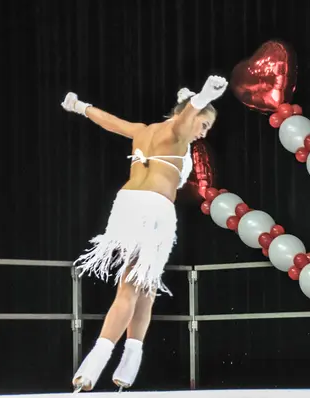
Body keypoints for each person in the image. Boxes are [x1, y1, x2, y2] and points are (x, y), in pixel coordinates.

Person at [60, 75, 228, 392]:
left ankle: (131, 357)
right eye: (203, 126)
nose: (202, 133)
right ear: (190, 116)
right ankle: (97, 359)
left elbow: (111, 123)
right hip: (153, 209)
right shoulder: (178, 132)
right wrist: (204, 96)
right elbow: (187, 116)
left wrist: (81, 107)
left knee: (144, 285)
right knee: (131, 287)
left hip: (126, 206)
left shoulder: (143, 131)